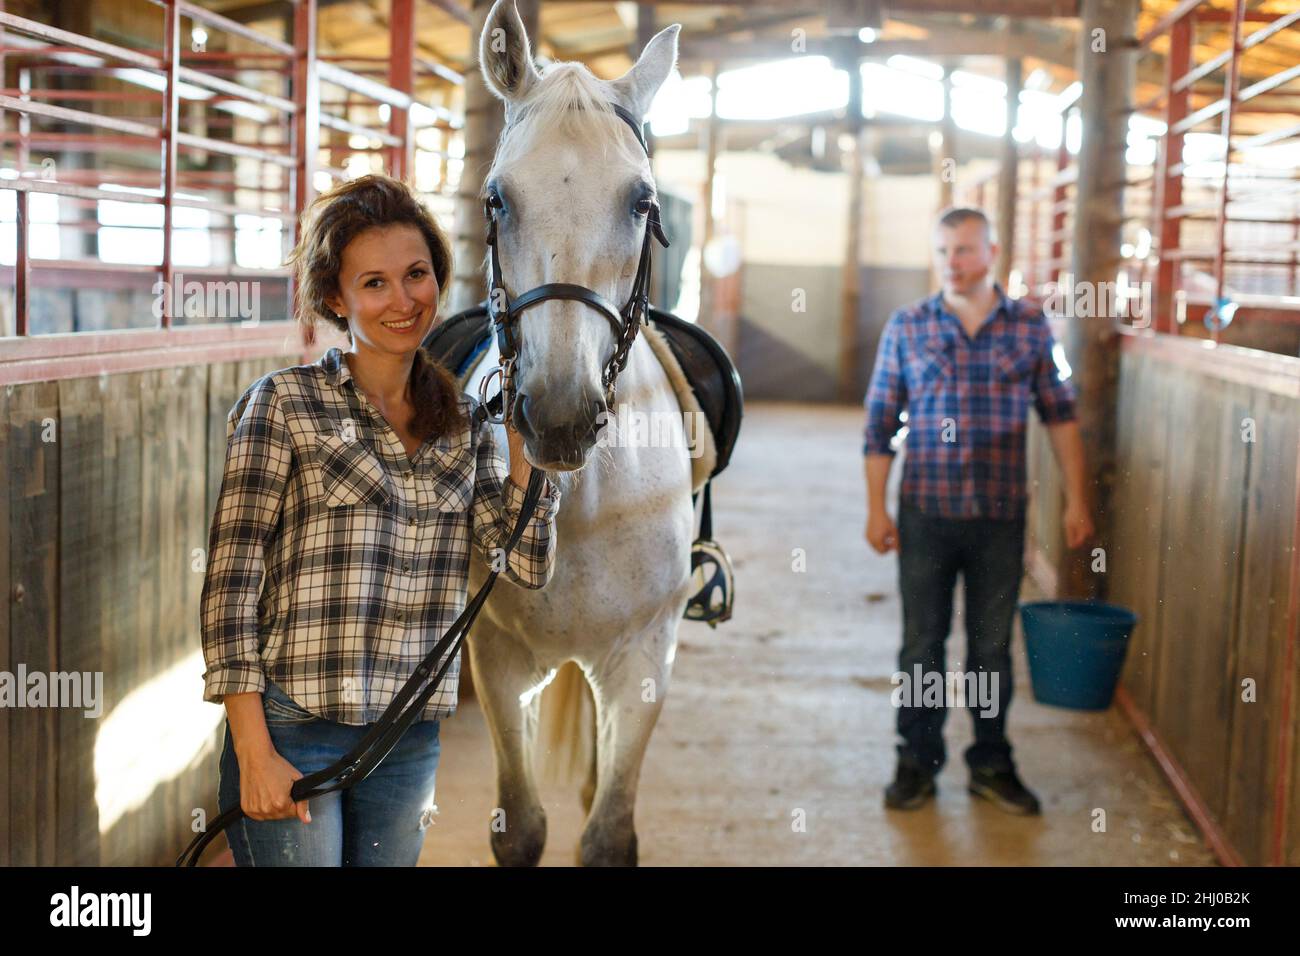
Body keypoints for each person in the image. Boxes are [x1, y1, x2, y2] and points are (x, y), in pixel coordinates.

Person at [199, 173, 561, 865]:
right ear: (336, 297)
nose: (403, 301)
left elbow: (525, 565)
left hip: (408, 738)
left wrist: (525, 456)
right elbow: (229, 588)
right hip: (293, 727)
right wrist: (252, 749)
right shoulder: (282, 406)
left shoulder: (465, 426)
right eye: (375, 283)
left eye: (416, 275)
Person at [863, 207, 1093, 815]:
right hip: (926, 513)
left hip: (998, 517)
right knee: (922, 645)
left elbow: (1061, 415)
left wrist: (1078, 498)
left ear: (992, 253)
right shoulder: (908, 326)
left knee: (990, 648)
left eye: (963, 250)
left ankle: (990, 761)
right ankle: (916, 760)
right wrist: (875, 510)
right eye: (942, 251)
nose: (951, 262)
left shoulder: (1029, 328)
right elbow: (879, 425)